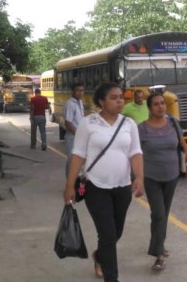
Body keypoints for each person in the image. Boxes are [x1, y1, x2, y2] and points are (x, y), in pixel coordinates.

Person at [64, 82, 144, 282]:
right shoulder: (88, 123)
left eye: (121, 97)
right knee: (107, 234)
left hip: (123, 187)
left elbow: (135, 152)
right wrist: (69, 185)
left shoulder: (129, 124)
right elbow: (78, 154)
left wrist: (139, 177)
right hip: (95, 187)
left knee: (116, 232)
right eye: (114, 97)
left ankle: (100, 256)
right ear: (101, 101)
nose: (120, 101)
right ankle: (112, 278)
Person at [138, 92, 187, 271]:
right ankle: (159, 255)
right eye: (156, 104)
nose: (161, 107)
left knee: (162, 214)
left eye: (162, 103)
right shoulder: (142, 128)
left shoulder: (173, 123)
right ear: (149, 108)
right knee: (159, 214)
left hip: (171, 176)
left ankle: (158, 243)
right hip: (151, 176)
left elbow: (183, 144)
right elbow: (135, 154)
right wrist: (137, 177)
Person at [64, 82, 85, 176]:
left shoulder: (80, 102)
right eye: (78, 91)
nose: (80, 93)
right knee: (71, 160)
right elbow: (68, 123)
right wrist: (79, 134)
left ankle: (76, 183)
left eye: (82, 90)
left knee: (79, 161)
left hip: (79, 136)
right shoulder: (70, 104)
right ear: (73, 92)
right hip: (72, 137)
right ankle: (69, 183)